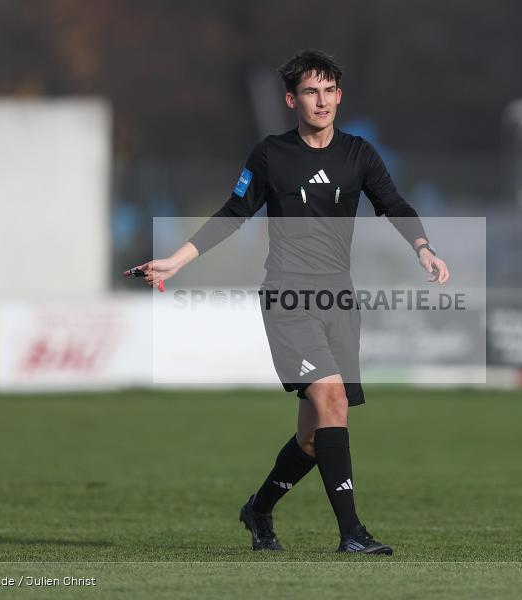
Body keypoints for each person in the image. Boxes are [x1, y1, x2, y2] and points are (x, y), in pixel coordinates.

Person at [126, 49, 449, 555]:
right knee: (333, 400)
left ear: (340, 96)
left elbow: (395, 204)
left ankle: (259, 509)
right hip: (288, 298)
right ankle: (352, 534)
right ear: (291, 99)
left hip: (339, 299)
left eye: (329, 91)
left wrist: (423, 246)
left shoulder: (359, 154)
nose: (321, 102)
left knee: (312, 438)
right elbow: (235, 212)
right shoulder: (271, 154)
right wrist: (177, 260)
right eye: (310, 92)